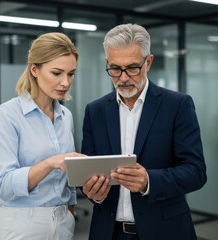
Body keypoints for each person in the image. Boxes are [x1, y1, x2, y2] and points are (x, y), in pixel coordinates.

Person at [81, 23, 207, 240]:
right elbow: (88, 172)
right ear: (107, 64)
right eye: (114, 68)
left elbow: (196, 172)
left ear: (148, 62)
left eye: (132, 68)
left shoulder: (177, 105)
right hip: (108, 232)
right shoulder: (95, 111)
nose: (122, 78)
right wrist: (94, 193)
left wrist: (149, 180)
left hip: (165, 232)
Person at [0, 32, 84, 240]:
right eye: (57, 73)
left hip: (63, 221)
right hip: (22, 223)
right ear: (34, 69)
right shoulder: (8, 114)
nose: (66, 82)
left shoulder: (65, 115)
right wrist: (51, 163)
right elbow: (4, 186)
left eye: (71, 74)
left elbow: (67, 176)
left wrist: (70, 210)